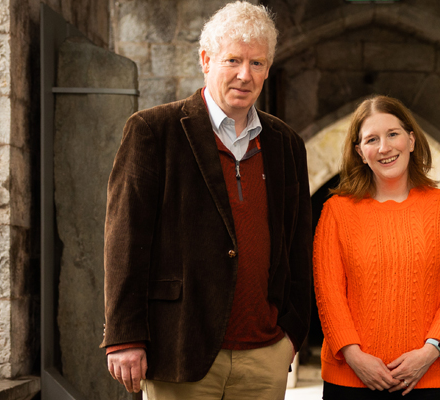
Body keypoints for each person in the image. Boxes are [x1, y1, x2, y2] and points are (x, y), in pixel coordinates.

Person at [100, 2, 312, 399]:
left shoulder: (285, 143)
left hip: (264, 353)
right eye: (233, 60)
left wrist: (293, 333)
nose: (245, 75)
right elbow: (125, 240)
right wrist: (124, 336)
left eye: (258, 63)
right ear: (206, 59)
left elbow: (297, 244)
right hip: (180, 348)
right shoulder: (153, 131)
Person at [312, 95, 440, 400]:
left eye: (393, 134)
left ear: (411, 141)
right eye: (371, 139)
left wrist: (429, 352)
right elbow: (328, 291)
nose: (384, 147)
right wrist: (354, 356)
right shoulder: (336, 211)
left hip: (430, 377)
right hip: (351, 377)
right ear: (360, 152)